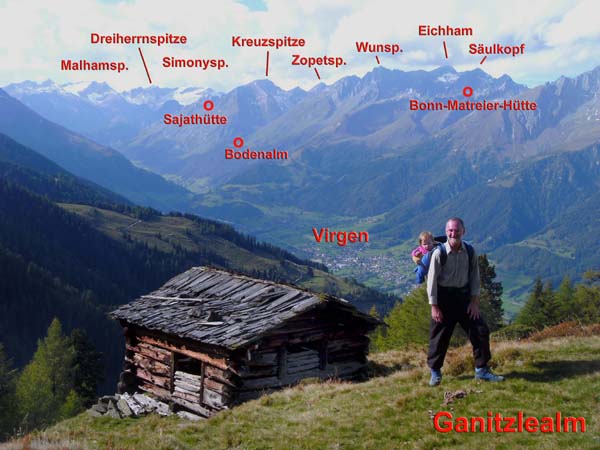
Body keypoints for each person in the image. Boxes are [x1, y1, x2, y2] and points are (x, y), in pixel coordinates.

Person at [426, 217, 504, 386]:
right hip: (443, 300)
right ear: (446, 232)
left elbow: (475, 277)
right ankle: (435, 372)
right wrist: (434, 306)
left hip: (464, 299)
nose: (453, 233)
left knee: (480, 330)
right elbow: (431, 281)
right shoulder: (439, 253)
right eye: (450, 230)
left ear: (463, 231)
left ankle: (482, 370)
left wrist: (474, 302)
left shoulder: (470, 251)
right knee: (438, 338)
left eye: (456, 230)